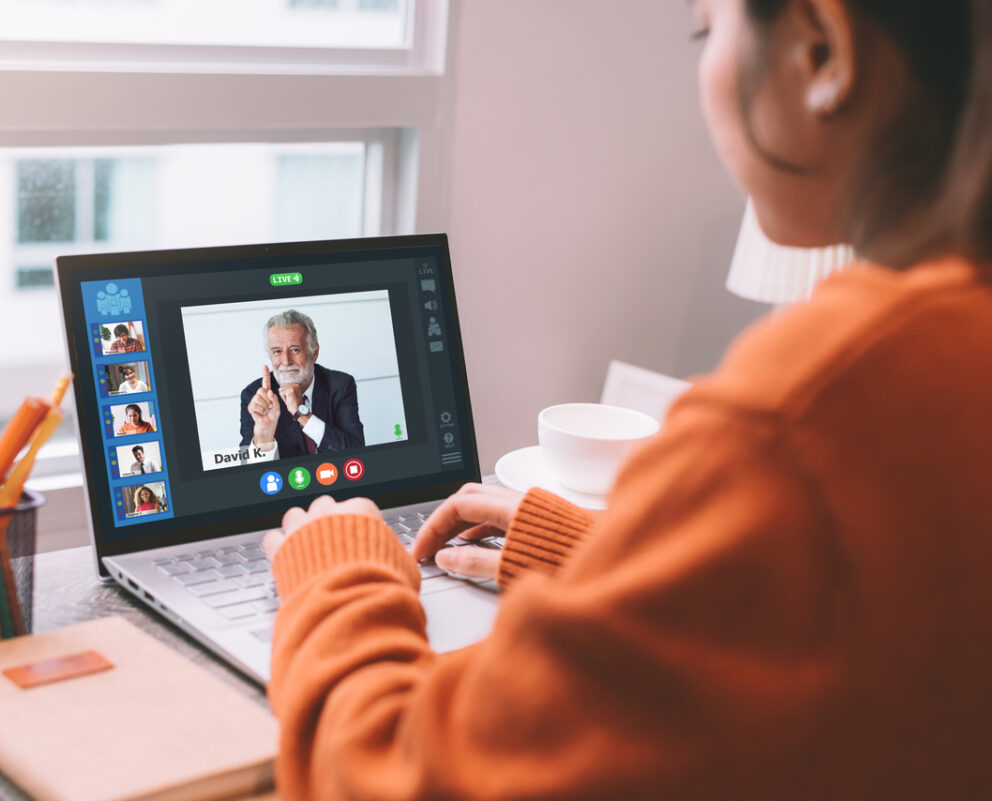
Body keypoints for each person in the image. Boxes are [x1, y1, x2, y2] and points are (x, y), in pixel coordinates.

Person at [261, 2, 992, 799]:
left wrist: (339, 579)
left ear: (823, 49)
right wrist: (629, 563)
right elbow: (872, 628)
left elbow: (402, 780)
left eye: (706, 30)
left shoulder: (803, 414)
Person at [239, 309, 364, 458]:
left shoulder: (341, 385)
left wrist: (301, 413)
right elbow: (246, 469)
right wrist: (263, 437)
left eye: (294, 349)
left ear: (314, 353)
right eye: (277, 351)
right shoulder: (255, 396)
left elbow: (356, 450)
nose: (286, 361)